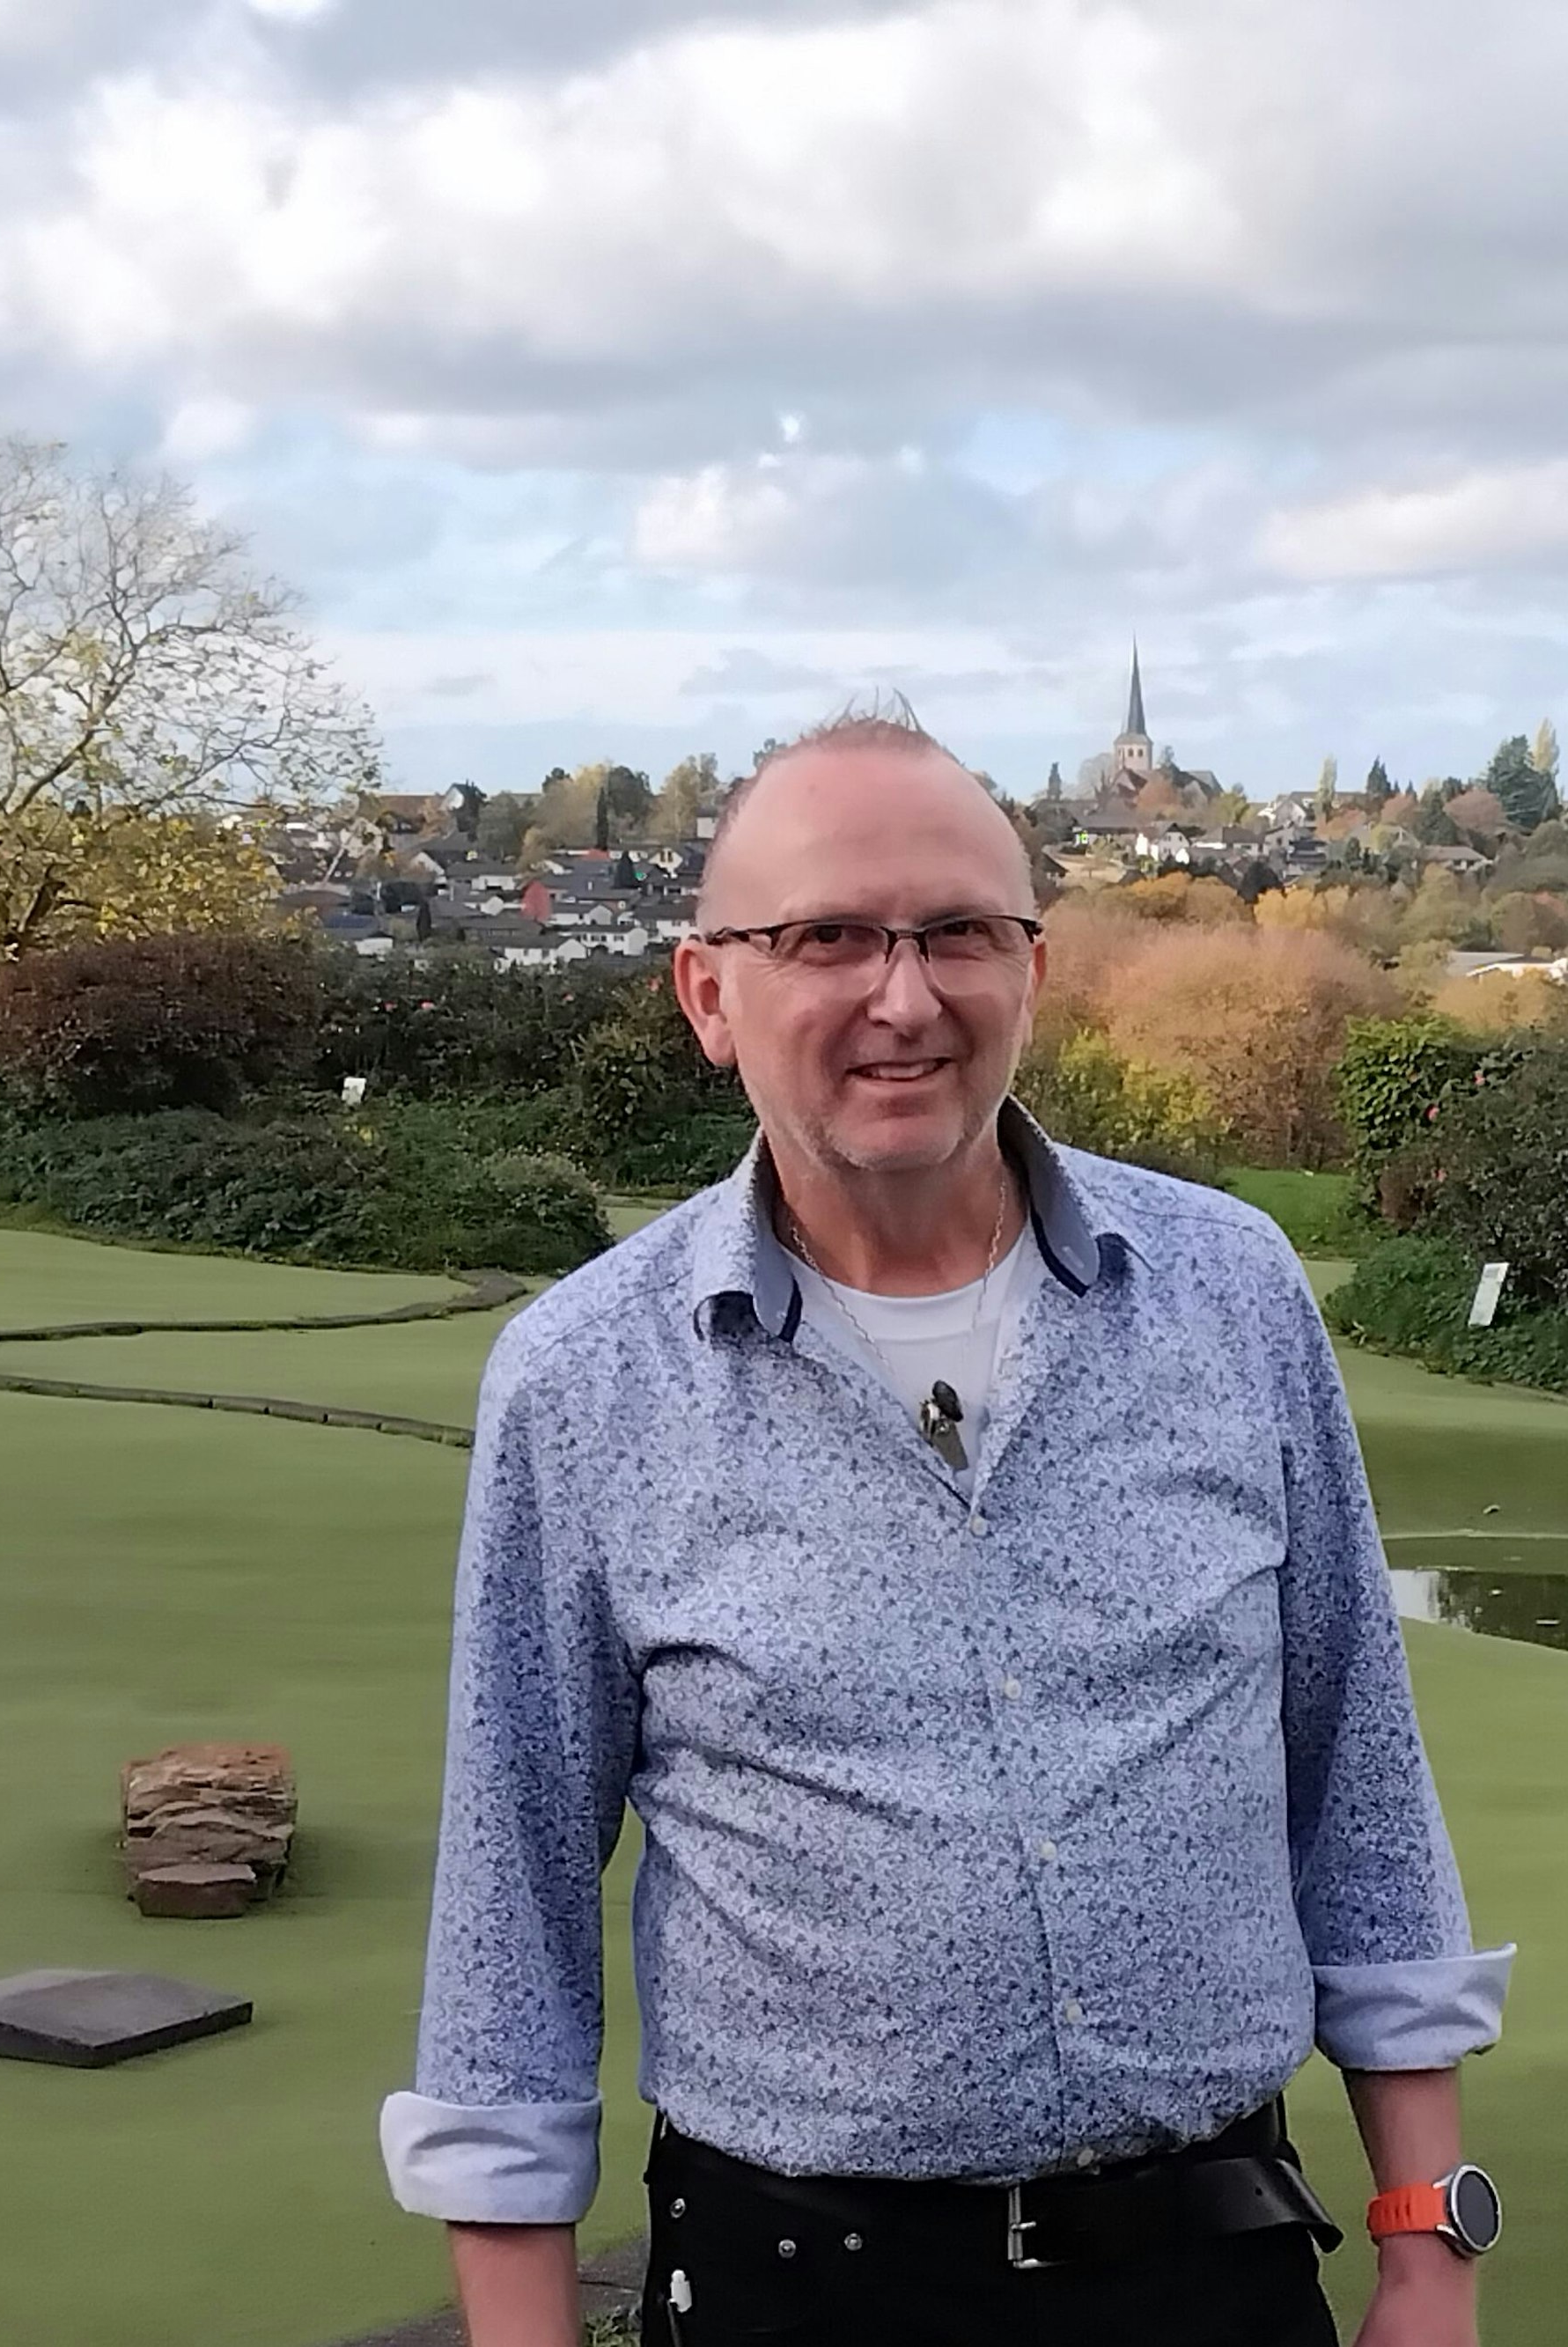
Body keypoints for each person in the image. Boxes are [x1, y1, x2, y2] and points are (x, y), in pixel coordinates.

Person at [381, 713, 1513, 2347]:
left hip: (1216, 2269)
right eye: (827, 935)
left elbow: (1359, 1781)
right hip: (803, 2288)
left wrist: (1429, 2248)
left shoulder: (1234, 1293)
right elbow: (515, 1897)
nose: (903, 997)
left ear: (1031, 973)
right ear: (712, 995)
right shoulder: (582, 1377)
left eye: (959, 933)